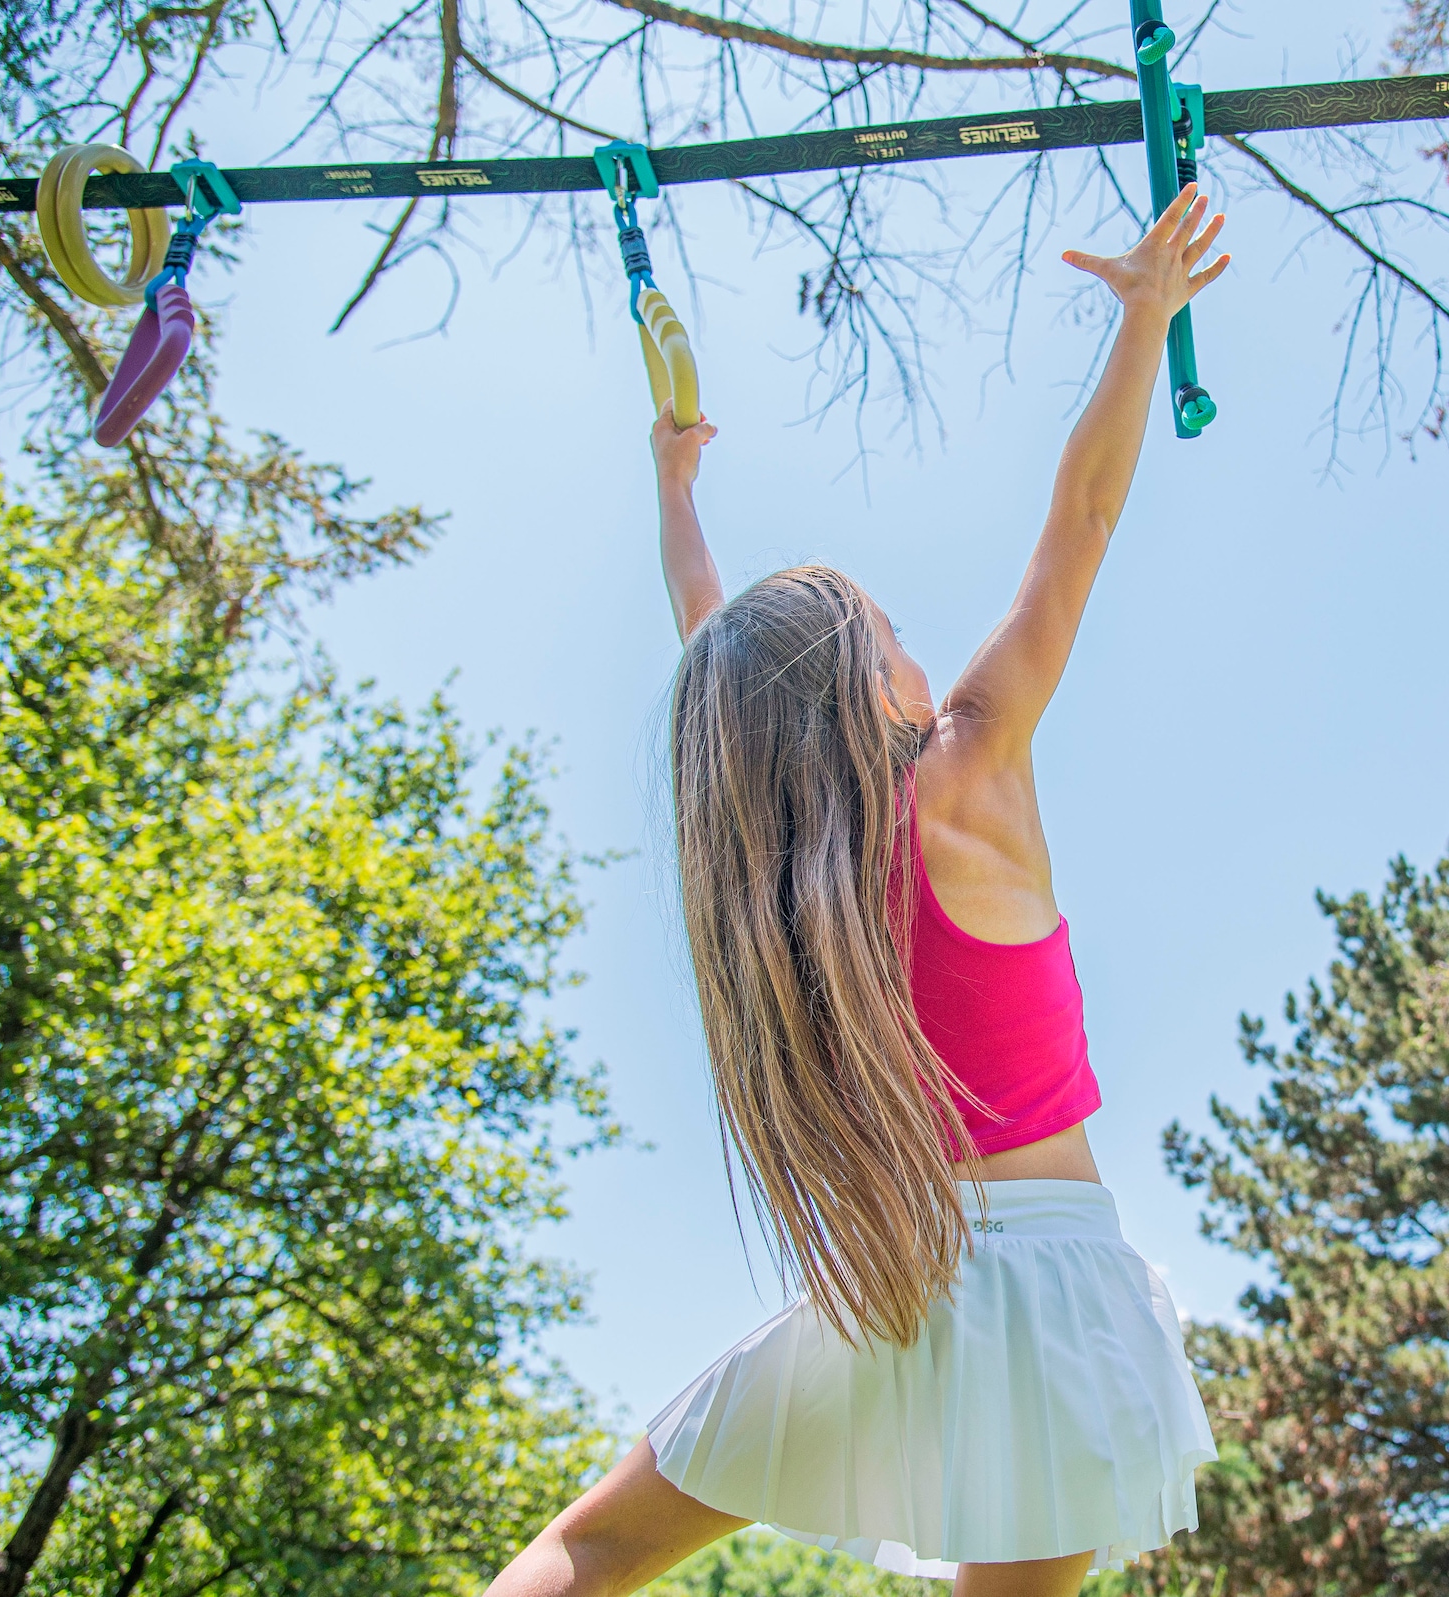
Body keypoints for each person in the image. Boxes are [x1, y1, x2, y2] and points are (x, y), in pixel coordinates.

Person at [485, 185, 1233, 1597]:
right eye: (889, 626)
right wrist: (1143, 320)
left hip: (903, 1285)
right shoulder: (965, 770)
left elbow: (719, 664)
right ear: (855, 683)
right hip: (1054, 1292)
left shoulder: (782, 878)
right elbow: (1083, 515)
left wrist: (676, 489)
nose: (916, 640)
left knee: (592, 1549)